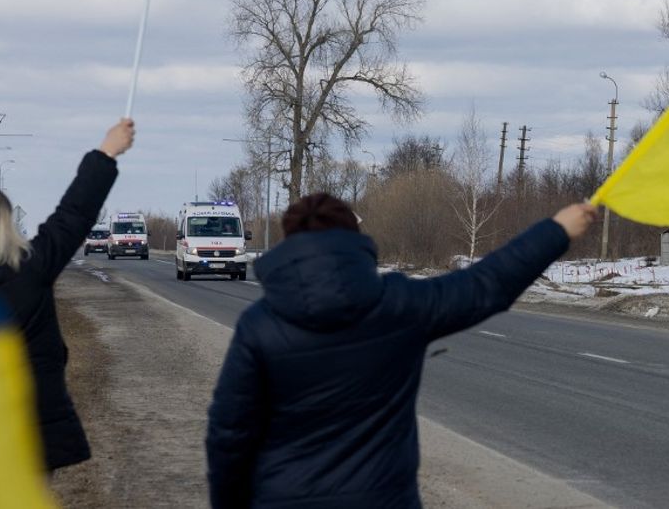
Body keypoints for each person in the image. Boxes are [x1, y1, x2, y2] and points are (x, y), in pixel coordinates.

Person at [205, 193, 597, 508]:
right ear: (354, 242)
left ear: (290, 246)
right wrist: (557, 230)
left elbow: (229, 435)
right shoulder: (399, 305)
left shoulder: (258, 326)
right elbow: (486, 284)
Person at [0, 118, 134, 472]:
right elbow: (73, 214)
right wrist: (107, 151)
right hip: (27, 434)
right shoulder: (29, 268)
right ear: (4, 223)